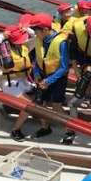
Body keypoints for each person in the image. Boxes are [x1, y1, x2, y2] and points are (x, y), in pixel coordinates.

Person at [14, 13, 70, 141]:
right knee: (41, 104)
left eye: (36, 30)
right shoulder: (39, 39)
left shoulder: (61, 43)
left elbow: (64, 67)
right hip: (43, 76)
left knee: (56, 106)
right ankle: (45, 127)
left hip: (57, 78)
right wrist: (37, 74)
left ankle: (69, 130)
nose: (34, 33)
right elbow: (37, 60)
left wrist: (49, 81)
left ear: (45, 30)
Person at [0, 25, 34, 139]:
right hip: (10, 84)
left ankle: (44, 125)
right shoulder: (2, 50)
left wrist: (27, 30)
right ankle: (15, 130)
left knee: (40, 99)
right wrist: (1, 36)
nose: (22, 42)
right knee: (30, 106)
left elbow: (36, 37)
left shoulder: (24, 46)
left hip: (23, 81)